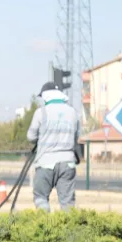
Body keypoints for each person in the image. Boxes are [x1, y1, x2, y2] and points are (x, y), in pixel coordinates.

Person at [27, 81, 81, 211]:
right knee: (68, 203)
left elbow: (31, 136)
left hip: (45, 163)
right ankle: (67, 223)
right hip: (68, 163)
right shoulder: (73, 112)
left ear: (45, 96)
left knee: (41, 198)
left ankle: (45, 222)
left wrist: (42, 138)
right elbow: (76, 136)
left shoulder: (41, 112)